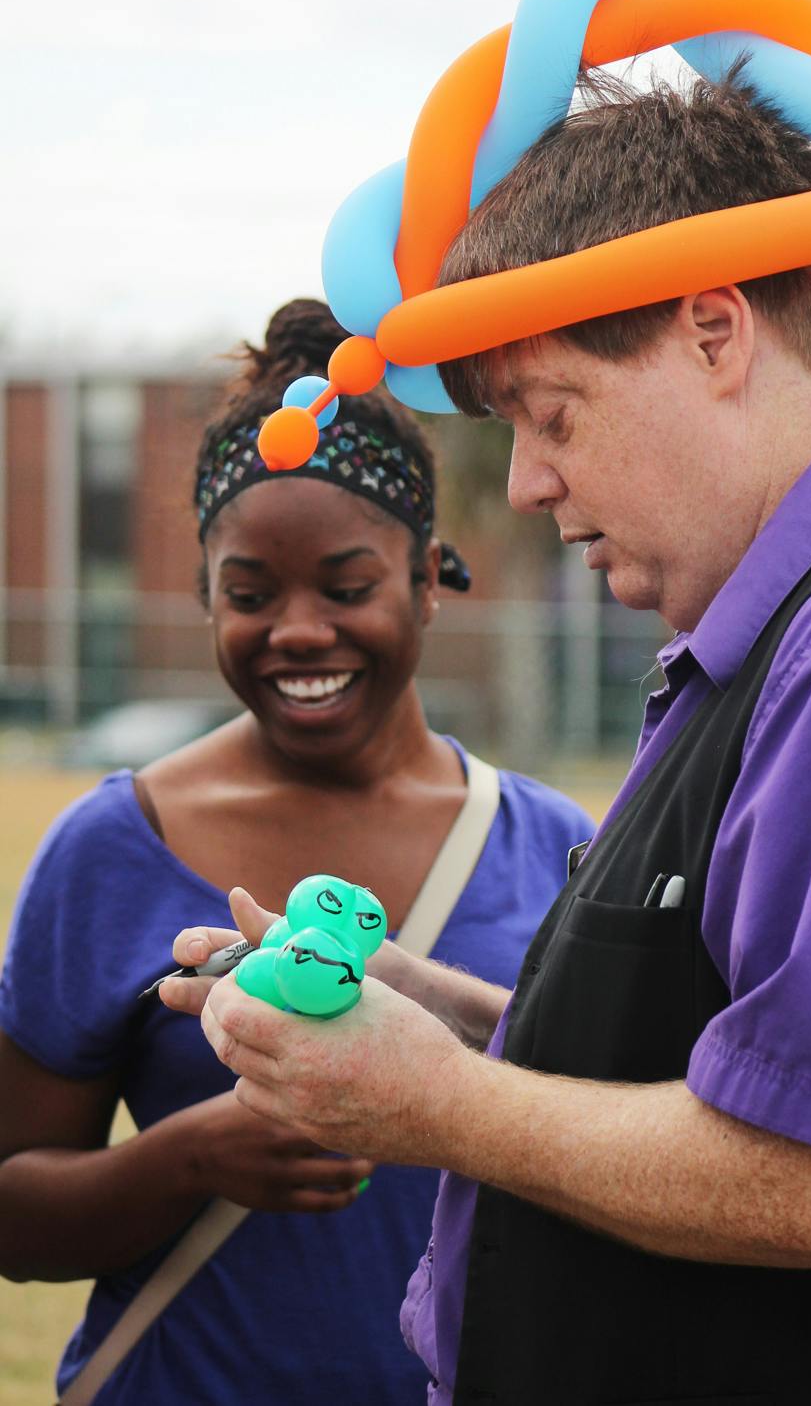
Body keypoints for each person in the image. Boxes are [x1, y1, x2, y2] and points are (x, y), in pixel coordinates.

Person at [175, 76, 811, 1406]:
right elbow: (760, 1049)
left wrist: (434, 1103)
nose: (526, 484)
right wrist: (446, 1012)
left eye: (550, 415)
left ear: (716, 333)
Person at [0, 299, 594, 1405]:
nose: (300, 630)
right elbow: (14, 1211)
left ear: (427, 579)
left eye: (348, 585)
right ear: (203, 599)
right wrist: (189, 1157)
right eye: (250, 595)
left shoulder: (557, 849)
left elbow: (625, 1161)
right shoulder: (112, 847)